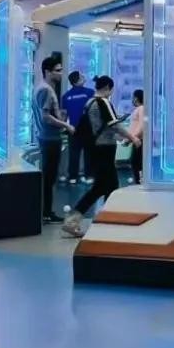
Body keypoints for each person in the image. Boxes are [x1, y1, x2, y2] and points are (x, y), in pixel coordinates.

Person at [63, 75, 140, 237]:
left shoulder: (89, 103)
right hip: (105, 149)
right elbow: (114, 125)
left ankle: (105, 221)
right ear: (107, 88)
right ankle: (75, 220)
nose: (111, 93)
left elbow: (102, 126)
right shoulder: (103, 102)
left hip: (95, 148)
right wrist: (132, 137)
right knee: (105, 186)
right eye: (111, 90)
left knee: (108, 186)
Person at [33, 56, 73, 224]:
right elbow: (45, 117)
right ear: (47, 72)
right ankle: (46, 213)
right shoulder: (46, 90)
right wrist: (66, 125)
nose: (61, 73)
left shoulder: (42, 88)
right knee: (49, 178)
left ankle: (47, 212)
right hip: (49, 139)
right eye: (57, 70)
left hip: (48, 137)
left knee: (49, 177)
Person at [61, 71, 95, 184]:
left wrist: (64, 126)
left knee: (75, 153)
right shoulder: (90, 93)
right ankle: (88, 176)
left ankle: (73, 177)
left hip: (74, 128)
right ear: (76, 81)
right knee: (88, 153)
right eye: (81, 76)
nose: (84, 77)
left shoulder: (66, 96)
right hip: (86, 128)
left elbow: (64, 115)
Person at [127, 89, 145, 184]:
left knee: (136, 163)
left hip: (139, 140)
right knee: (135, 162)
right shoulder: (138, 109)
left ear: (136, 98)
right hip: (136, 140)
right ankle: (138, 181)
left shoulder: (141, 108)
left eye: (133, 97)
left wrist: (132, 137)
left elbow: (142, 126)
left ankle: (139, 182)